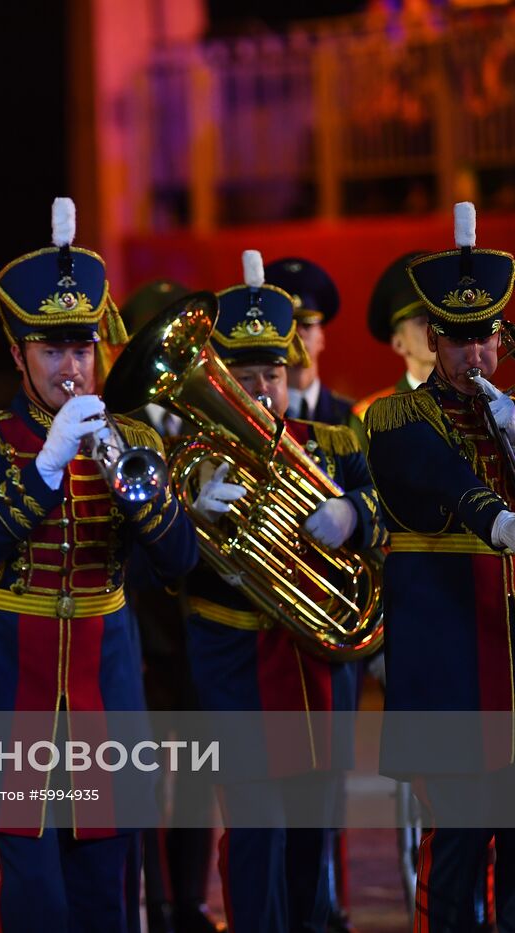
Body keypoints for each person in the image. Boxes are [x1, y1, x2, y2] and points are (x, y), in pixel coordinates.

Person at [0, 198, 197, 930]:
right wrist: (45, 467)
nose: (73, 368)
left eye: (83, 348)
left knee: (103, 903)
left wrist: (147, 502)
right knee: (38, 902)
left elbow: (179, 563)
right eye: (53, 350)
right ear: (18, 353)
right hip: (7, 692)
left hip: (105, 696)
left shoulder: (133, 435)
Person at [181, 250, 382, 933]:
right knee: (256, 825)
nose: (263, 388)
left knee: (315, 821)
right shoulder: (196, 454)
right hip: (234, 657)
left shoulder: (329, 436)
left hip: (317, 661)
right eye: (246, 375)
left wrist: (354, 511)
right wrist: (190, 514)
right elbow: (162, 563)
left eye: (273, 372)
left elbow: (387, 502)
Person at [368, 203, 515, 931]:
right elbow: (436, 473)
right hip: (450, 671)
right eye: (458, 340)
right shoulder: (396, 419)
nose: (474, 357)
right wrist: (495, 514)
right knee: (455, 853)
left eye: (485, 336)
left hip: (512, 669)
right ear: (432, 339)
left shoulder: (511, 414)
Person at [116, 278, 221, 933]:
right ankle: (151, 905)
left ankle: (190, 902)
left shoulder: (212, 417)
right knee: (146, 779)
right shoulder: (121, 426)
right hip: (147, 631)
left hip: (208, 631)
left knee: (199, 780)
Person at [265, 257, 355, 426]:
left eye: (307, 325)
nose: (298, 333)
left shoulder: (353, 417)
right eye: (287, 325)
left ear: (322, 337)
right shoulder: (257, 416)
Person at [351, 252, 435, 427]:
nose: (434, 326)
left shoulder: (490, 404)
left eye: (439, 316)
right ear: (399, 343)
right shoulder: (373, 419)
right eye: (421, 320)